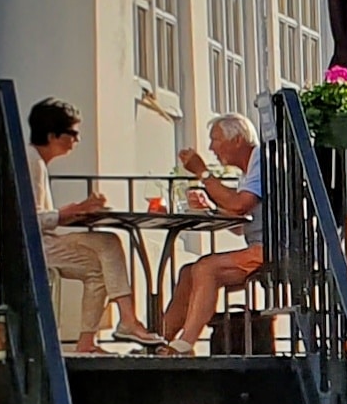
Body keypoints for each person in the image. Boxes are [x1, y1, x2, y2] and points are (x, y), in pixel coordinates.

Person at [27, 98, 161, 353]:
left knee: (103, 256)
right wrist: (71, 211)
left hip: (39, 239)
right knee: (107, 246)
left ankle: (93, 340)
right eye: (73, 134)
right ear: (53, 134)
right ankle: (127, 322)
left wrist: (78, 211)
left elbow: (39, 217)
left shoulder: (36, 162)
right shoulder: (30, 162)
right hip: (25, 245)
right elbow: (28, 219)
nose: (76, 141)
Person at [159, 113, 264, 355]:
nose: (211, 148)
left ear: (237, 140)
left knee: (206, 268)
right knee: (188, 272)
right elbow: (240, 224)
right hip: (257, 247)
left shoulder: (261, 160)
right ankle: (159, 340)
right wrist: (211, 209)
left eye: (215, 140)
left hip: (271, 248)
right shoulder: (245, 173)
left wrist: (203, 174)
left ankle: (185, 344)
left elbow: (240, 205)